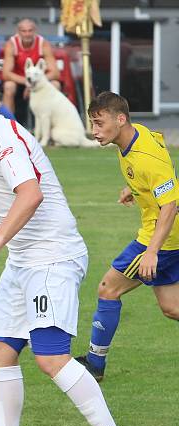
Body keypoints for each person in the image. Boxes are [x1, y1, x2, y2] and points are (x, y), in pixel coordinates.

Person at [0, 73, 137, 426]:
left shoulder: (0, 138)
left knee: (51, 356)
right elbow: (8, 202)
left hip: (52, 257)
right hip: (24, 259)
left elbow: (31, 194)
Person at [74, 92, 179, 381]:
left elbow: (170, 205)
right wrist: (134, 190)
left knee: (108, 288)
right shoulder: (138, 136)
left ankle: (94, 365)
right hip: (166, 236)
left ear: (120, 120)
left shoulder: (146, 157)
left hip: (160, 238)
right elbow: (160, 178)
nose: (94, 131)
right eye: (92, 124)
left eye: (99, 123)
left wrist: (152, 251)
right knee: (172, 308)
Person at [1, 18, 60, 118]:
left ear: (35, 31)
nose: (27, 34)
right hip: (20, 81)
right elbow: (6, 74)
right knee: (8, 86)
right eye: (24, 31)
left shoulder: (43, 44)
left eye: (30, 30)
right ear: (18, 32)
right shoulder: (11, 44)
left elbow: (55, 73)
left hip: (39, 80)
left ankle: (53, 122)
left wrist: (34, 83)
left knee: (55, 84)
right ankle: (8, 123)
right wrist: (27, 82)